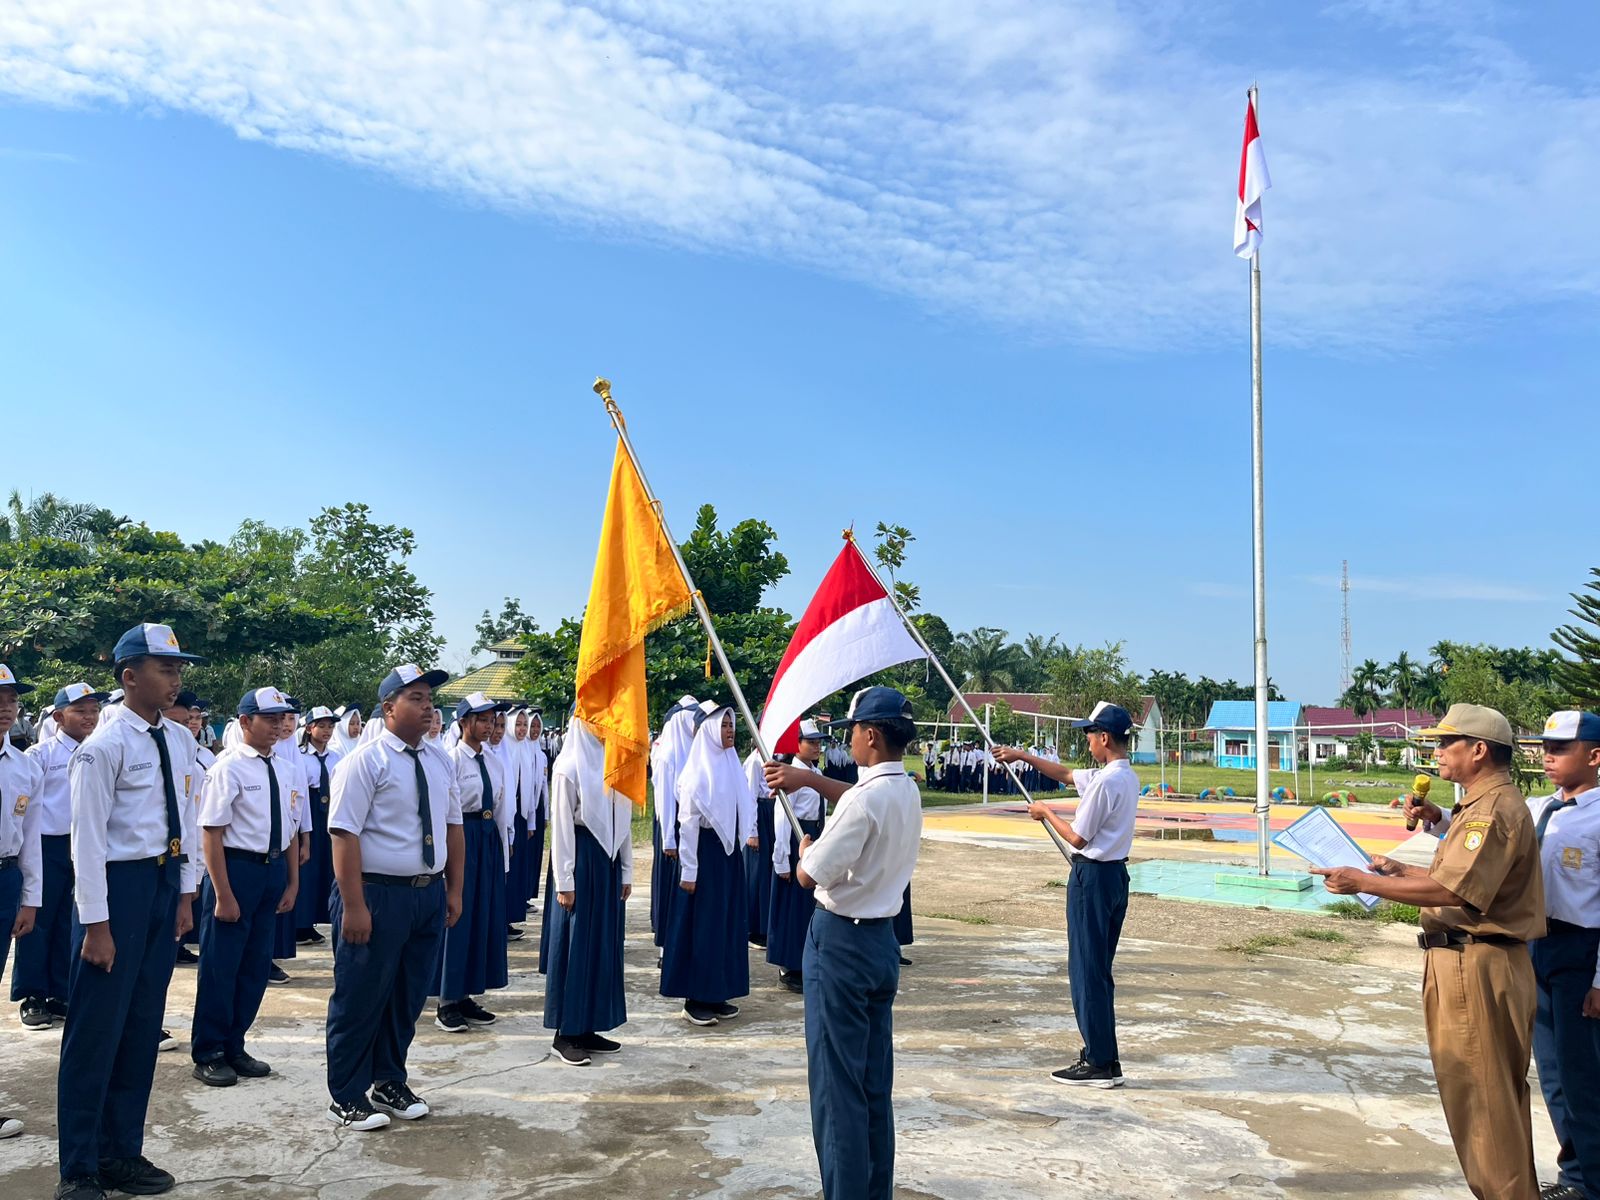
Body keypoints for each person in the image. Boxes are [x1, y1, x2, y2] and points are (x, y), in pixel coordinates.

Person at [1318, 702, 1544, 1200]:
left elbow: (1458, 894)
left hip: (1476, 964)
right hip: (1466, 959)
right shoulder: (1481, 805)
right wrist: (1401, 873)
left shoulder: (1491, 810)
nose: (1437, 752)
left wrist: (1365, 880)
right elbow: (1461, 883)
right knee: (1485, 1103)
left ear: (1479, 750)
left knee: (1484, 1106)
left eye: (1447, 743)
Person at [59, 623, 206, 1200]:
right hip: (116, 893)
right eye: (164, 668)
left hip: (161, 886)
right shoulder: (102, 748)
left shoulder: (177, 739)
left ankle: (123, 1152)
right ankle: (79, 1166)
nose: (175, 679)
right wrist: (95, 924)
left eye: (177, 669)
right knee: (96, 1032)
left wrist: (186, 893)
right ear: (128, 676)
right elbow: (86, 844)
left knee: (142, 1027)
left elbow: (187, 820)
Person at [763, 685, 922, 1200]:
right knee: (874, 1085)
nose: (847, 740)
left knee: (837, 1090)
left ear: (870, 735)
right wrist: (808, 779)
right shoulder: (906, 789)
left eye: (852, 731)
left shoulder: (863, 800)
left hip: (842, 945)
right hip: (880, 944)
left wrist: (809, 847)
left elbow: (810, 875)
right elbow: (856, 799)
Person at [325, 663, 464, 1130]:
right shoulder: (365, 762)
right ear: (389, 708)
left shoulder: (439, 759)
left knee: (407, 996)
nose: (428, 707)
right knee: (361, 996)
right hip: (376, 893)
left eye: (429, 699)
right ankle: (345, 1093)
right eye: (417, 698)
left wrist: (453, 888)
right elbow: (343, 834)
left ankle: (389, 1080)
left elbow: (453, 827)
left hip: (425, 895)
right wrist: (354, 905)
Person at [996, 701, 1139, 1087]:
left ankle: (1098, 1062)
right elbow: (1063, 773)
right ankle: (1105, 1056)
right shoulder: (1124, 776)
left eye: (1090, 734)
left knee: (1086, 970)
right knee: (1097, 969)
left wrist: (1044, 813)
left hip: (1091, 878)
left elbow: (1077, 836)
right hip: (1114, 877)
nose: (1088, 741)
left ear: (1104, 737)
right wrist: (1021, 756)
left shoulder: (1108, 782)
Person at [190, 687, 300, 1086]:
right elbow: (212, 834)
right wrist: (221, 893)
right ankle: (209, 1050)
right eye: (269, 718)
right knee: (221, 966)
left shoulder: (286, 769)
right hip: (236, 870)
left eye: (282, 718)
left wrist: (292, 883)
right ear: (245, 722)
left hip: (270, 871)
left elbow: (290, 833)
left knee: (254, 967)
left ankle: (235, 1044)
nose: (278, 726)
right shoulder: (227, 767)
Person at [1515, 712, 1598, 1200]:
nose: (1548, 755)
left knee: (1583, 1073)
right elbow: (1488, 847)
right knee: (1552, 1072)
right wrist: (1436, 819)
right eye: (1544, 745)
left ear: (1595, 756)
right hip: (1537, 944)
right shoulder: (1537, 807)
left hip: (1582, 950)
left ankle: (1591, 1183)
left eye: (1561, 747)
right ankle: (1576, 1175)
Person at [541, 719, 632, 1066]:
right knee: (575, 945)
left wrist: (625, 869)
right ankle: (565, 1032)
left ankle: (590, 1025)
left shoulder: (613, 762)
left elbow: (621, 818)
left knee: (602, 944)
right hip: (581, 858)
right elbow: (562, 825)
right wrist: (564, 881)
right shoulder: (568, 767)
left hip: (607, 861)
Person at [16, 682, 105, 1031]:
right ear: (58, 716)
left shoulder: (101, 751)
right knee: (40, 918)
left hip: (85, 844)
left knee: (75, 919)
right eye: (80, 711)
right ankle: (33, 994)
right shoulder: (40, 755)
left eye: (94, 710)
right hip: (48, 845)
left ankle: (61, 990)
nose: (89, 717)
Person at [661, 702, 756, 1027]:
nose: (730, 731)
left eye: (732, 725)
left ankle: (718, 992)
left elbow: (743, 807)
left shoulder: (731, 764)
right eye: (724, 726)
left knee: (726, 924)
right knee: (702, 927)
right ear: (711, 731)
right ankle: (695, 998)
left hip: (727, 857)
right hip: (703, 857)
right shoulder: (696, 772)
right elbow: (686, 824)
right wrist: (689, 870)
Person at [433, 693, 510, 1033]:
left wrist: (503, 853)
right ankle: (446, 999)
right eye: (481, 718)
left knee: (482, 915)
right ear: (463, 722)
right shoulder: (450, 761)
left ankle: (466, 992)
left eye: (492, 719)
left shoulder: (493, 761)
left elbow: (502, 808)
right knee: (457, 915)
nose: (488, 724)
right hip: (461, 837)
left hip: (487, 838)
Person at [0, 663, 44, 1142]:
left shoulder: (24, 766)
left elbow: (29, 838)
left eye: (11, 697)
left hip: (5, 880)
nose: (5, 706)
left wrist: (30, 899)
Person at [767, 719, 826, 993]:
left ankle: (804, 962)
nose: (816, 747)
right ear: (796, 744)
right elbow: (782, 817)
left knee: (806, 907)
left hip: (813, 836)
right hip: (794, 838)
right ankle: (788, 966)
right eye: (810, 742)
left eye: (818, 742)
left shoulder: (815, 771)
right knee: (790, 907)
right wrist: (781, 859)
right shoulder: (791, 773)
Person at [649, 696, 698, 949]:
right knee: (672, 884)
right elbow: (664, 801)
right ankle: (667, 942)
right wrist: (669, 838)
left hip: (689, 826)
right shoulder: (668, 755)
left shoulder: (696, 751)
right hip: (674, 827)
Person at [295, 706, 341, 946]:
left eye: (330, 726)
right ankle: (301, 923)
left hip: (330, 812)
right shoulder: (300, 756)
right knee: (307, 868)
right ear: (309, 728)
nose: (326, 731)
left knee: (327, 866)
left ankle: (316, 919)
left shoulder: (336, 757)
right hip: (310, 809)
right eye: (321, 725)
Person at [744, 730, 776, 949]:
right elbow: (749, 797)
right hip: (760, 815)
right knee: (757, 873)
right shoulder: (755, 761)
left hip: (771, 812)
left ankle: (765, 925)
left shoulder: (771, 759)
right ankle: (753, 929)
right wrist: (752, 831)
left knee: (767, 872)